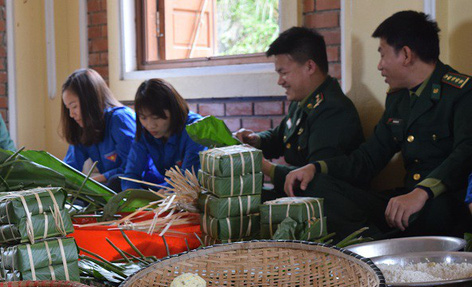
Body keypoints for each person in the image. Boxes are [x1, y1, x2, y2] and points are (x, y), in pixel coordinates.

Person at [284, 11, 472, 239]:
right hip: (405, 202)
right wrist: (317, 168)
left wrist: (424, 191)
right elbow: (367, 159)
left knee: (436, 211)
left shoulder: (461, 93)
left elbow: (465, 154)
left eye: (383, 55)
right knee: (315, 187)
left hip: (441, 202)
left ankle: (385, 246)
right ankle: (375, 246)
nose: (379, 66)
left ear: (405, 55)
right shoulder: (399, 98)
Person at [235, 27, 363, 197]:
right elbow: (281, 137)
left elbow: (314, 181)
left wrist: (264, 167)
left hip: (323, 208)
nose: (280, 81)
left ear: (310, 67)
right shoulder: (303, 100)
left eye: (284, 73)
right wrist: (255, 141)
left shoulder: (333, 110)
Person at [122, 79, 205, 190]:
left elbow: (189, 177)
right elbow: (131, 175)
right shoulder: (145, 132)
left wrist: (162, 196)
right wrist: (132, 197)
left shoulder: (196, 128)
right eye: (143, 118)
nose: (150, 125)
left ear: (173, 110)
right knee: (115, 181)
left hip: (194, 190)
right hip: (166, 189)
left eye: (156, 117)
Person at [60, 68, 136, 191]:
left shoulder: (120, 119)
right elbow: (69, 168)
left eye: (74, 106)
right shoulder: (83, 127)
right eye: (68, 108)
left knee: (115, 182)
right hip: (110, 187)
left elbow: (133, 168)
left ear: (89, 100)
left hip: (135, 186)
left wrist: (96, 180)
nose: (71, 114)